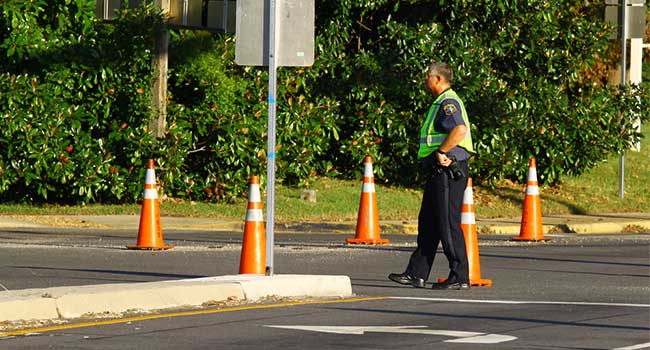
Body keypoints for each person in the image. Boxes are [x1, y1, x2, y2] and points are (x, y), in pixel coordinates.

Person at [388, 62, 475, 290]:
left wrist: (442, 151)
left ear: (438, 79)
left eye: (428, 76)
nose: (425, 80)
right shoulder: (440, 101)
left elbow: (460, 130)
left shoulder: (448, 102)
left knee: (447, 222)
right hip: (438, 171)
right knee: (428, 223)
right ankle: (416, 273)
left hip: (447, 170)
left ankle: (459, 275)